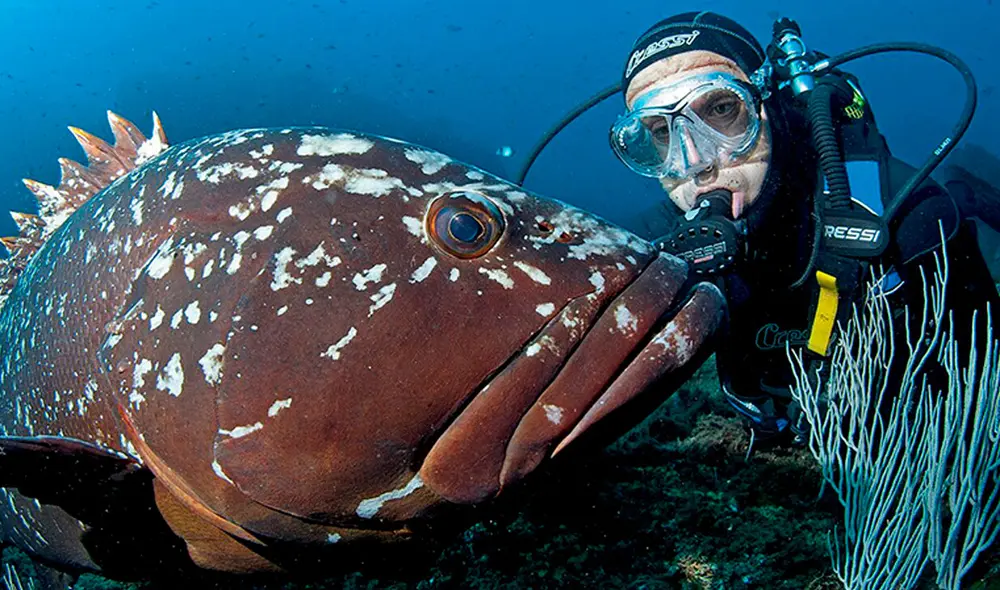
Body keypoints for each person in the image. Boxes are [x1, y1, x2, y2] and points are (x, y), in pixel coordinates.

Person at [610, 11, 1000, 451]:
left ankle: (969, 193)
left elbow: (984, 372)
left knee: (953, 207)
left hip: (898, 438)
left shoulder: (907, 212)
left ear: (766, 103)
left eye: (721, 109)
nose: (696, 161)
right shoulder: (650, 245)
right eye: (660, 132)